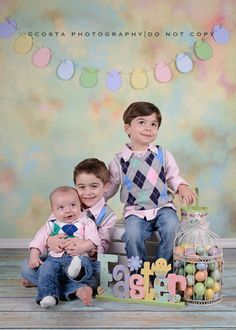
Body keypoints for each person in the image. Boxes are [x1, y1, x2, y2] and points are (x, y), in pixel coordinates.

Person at [105, 101, 196, 268]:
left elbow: (173, 176)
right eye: (141, 122)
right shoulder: (119, 162)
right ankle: (139, 274)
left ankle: (161, 270)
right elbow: (110, 186)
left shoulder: (162, 154)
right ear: (127, 128)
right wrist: (95, 201)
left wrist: (182, 186)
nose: (148, 128)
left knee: (172, 228)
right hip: (136, 211)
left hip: (163, 207)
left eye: (153, 124)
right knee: (132, 235)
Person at [21, 158, 117, 303]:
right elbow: (47, 231)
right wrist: (50, 241)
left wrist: (84, 247)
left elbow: (103, 246)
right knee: (26, 267)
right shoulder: (63, 205)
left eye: (94, 186)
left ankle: (47, 283)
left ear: (105, 186)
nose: (87, 192)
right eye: (82, 187)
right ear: (75, 187)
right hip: (58, 259)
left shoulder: (108, 216)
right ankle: (77, 288)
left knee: (102, 273)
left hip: (87, 262)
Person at [29, 186, 101, 308]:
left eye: (73, 205)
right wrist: (33, 256)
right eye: (61, 208)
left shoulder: (86, 222)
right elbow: (38, 240)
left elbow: (94, 240)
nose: (68, 211)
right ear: (53, 210)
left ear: (80, 205)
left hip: (77, 256)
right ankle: (48, 296)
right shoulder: (51, 224)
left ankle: (75, 272)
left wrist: (82, 248)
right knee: (45, 269)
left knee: (85, 263)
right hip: (54, 259)